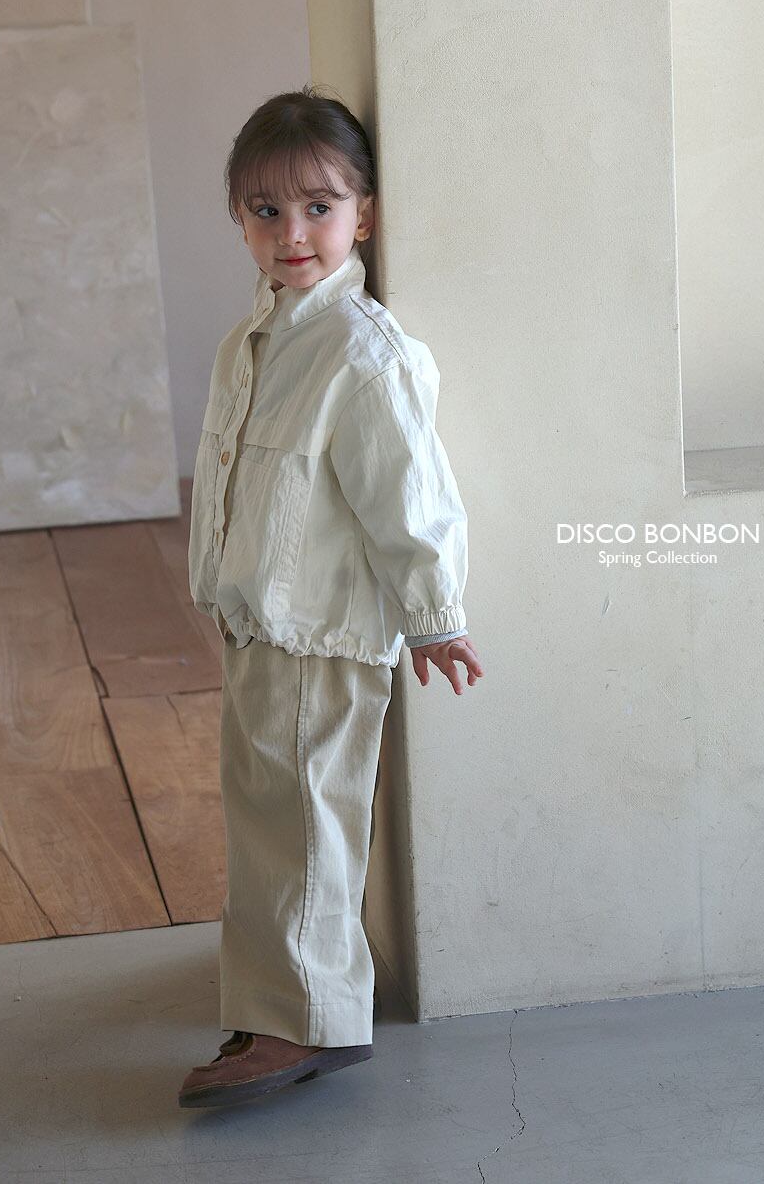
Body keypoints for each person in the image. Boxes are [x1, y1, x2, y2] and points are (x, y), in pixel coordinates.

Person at [178, 84, 483, 1109]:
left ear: (365, 215)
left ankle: (304, 1023)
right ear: (239, 218)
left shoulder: (363, 352)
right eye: (266, 210)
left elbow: (411, 497)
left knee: (306, 824)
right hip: (262, 625)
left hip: (323, 638)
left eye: (319, 206)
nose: (292, 233)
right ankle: (273, 999)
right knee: (265, 820)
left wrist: (435, 617)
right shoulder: (253, 341)